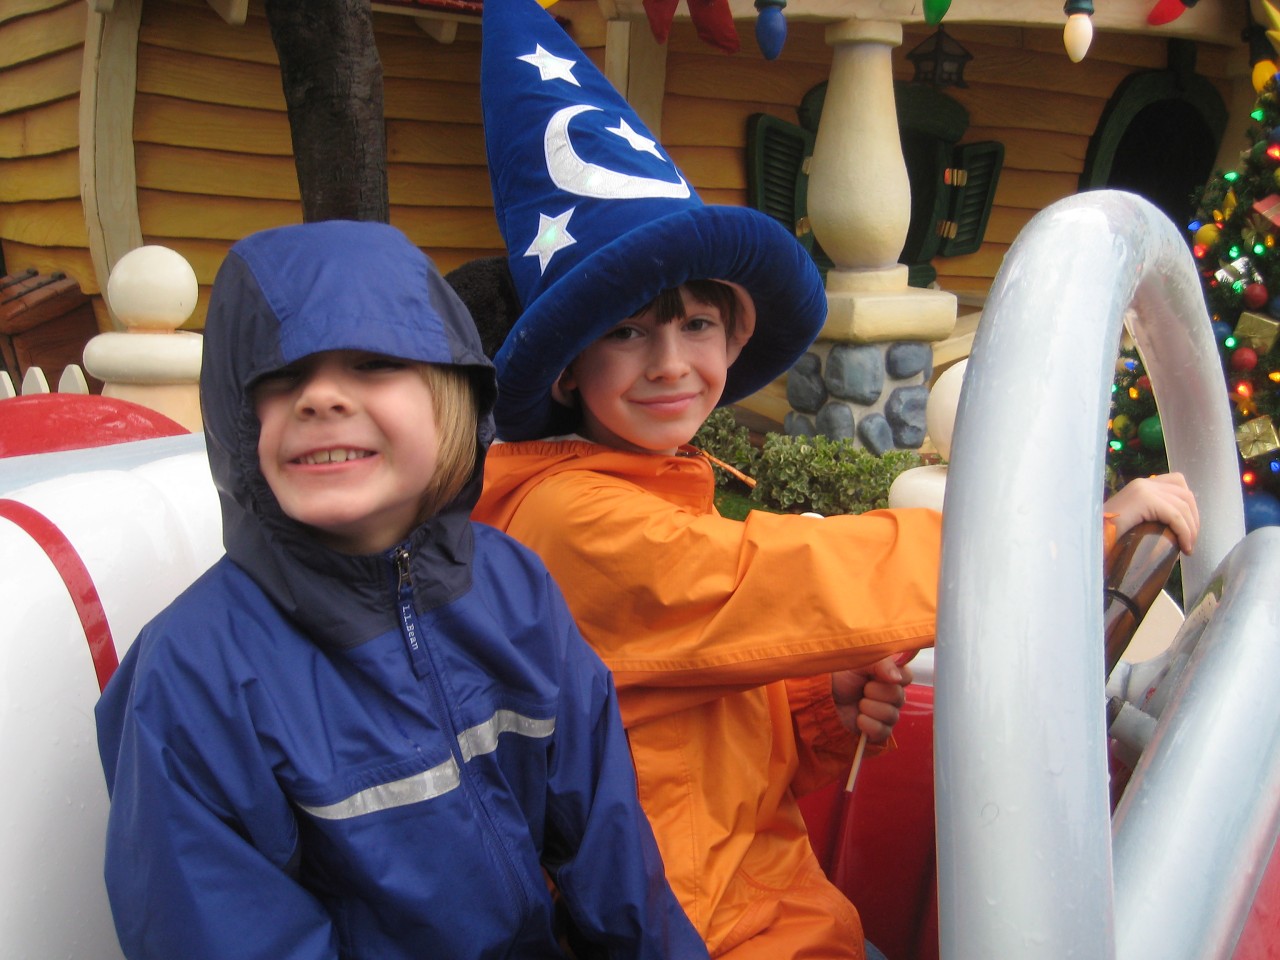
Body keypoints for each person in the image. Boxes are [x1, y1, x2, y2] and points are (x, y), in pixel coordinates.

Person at [467, 2, 1202, 958]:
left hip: (763, 909)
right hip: (683, 933)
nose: (670, 363)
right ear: (568, 369)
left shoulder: (655, 487)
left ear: (733, 336)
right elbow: (788, 575)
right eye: (627, 331)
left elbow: (693, 742)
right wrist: (1079, 532)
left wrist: (819, 709)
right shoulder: (570, 517)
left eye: (697, 325)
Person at [94, 220, 710, 960]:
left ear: (451, 395)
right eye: (279, 378)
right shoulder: (194, 674)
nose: (320, 398)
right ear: (235, 417)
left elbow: (612, 856)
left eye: (374, 364)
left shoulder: (515, 589)